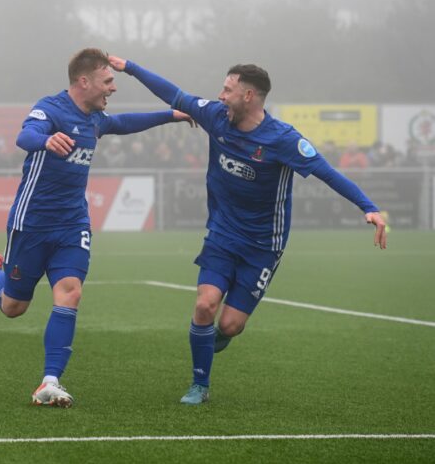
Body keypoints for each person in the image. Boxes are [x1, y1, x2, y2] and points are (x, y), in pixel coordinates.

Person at [108, 55, 387, 405]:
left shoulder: (283, 139)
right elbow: (174, 94)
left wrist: (369, 208)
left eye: (228, 90)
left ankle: (216, 338)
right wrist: (130, 68)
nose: (221, 95)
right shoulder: (214, 115)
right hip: (222, 233)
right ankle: (200, 384)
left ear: (249, 96)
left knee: (229, 326)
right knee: (205, 305)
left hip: (263, 246)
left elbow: (327, 172)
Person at [0, 48, 194, 408]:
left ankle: (50, 381)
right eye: (108, 82)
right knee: (13, 307)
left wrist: (172, 115)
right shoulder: (51, 108)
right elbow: (25, 136)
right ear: (83, 82)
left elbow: (125, 123)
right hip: (32, 223)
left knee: (70, 292)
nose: (112, 89)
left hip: (73, 224)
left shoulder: (96, 119)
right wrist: (45, 140)